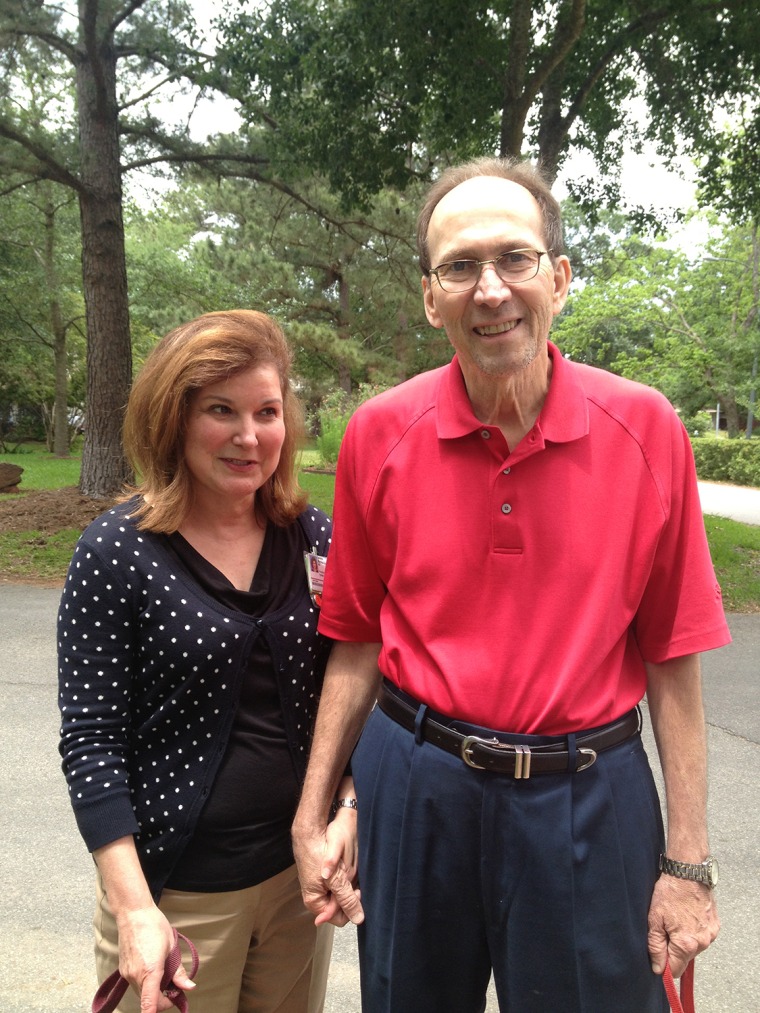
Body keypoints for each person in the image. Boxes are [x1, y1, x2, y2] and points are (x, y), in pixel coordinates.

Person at [291, 158, 731, 1012]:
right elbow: (354, 640)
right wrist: (314, 815)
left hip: (589, 795)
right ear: (431, 298)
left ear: (558, 278)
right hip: (418, 787)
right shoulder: (378, 434)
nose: (489, 289)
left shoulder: (647, 429)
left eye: (514, 259)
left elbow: (673, 655)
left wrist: (687, 861)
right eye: (460, 267)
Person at [58, 310, 354, 1013]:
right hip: (177, 900)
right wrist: (133, 908)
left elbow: (348, 691)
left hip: (293, 891)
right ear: (175, 418)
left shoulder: (314, 537)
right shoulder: (118, 552)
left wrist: (346, 810)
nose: (249, 436)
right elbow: (91, 742)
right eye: (221, 410)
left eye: (267, 411)